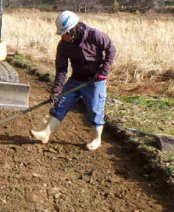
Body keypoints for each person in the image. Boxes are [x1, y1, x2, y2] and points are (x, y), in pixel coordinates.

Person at [31, 11, 116, 151]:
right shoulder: (63, 45)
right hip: (76, 79)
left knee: (95, 109)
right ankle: (46, 133)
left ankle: (96, 138)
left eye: (64, 33)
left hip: (95, 80)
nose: (62, 36)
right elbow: (61, 69)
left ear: (72, 30)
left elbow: (111, 50)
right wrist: (57, 90)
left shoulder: (94, 35)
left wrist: (104, 72)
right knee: (61, 103)